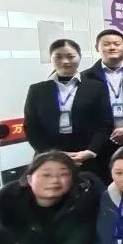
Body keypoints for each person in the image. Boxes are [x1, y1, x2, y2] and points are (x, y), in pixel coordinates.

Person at [24, 38, 112, 177]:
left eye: (71, 56)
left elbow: (105, 123)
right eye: (58, 57)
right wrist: (50, 153)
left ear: (79, 57)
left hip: (87, 156)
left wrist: (90, 151)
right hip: (48, 156)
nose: (65, 61)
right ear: (51, 58)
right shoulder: (37, 90)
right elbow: (31, 126)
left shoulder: (96, 87)